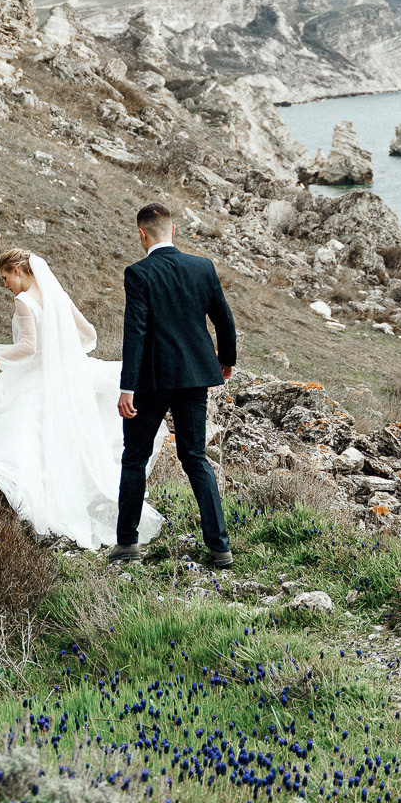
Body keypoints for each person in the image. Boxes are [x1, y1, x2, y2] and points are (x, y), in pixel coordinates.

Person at [0, 247, 164, 551]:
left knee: (23, 441)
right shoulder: (56, 296)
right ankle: (71, 502)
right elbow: (89, 334)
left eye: (5, 278)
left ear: (17, 270)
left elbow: (27, 348)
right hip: (67, 377)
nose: (5, 285)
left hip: (38, 381)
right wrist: (65, 354)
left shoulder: (23, 301)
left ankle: (39, 512)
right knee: (63, 443)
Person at [114, 202, 237, 568]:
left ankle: (127, 544)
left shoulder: (138, 273)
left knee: (135, 458)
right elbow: (224, 319)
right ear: (172, 231)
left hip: (151, 381)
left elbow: (135, 331)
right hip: (195, 377)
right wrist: (226, 359)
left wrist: (127, 387)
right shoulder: (202, 267)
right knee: (195, 457)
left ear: (142, 234)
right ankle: (220, 547)